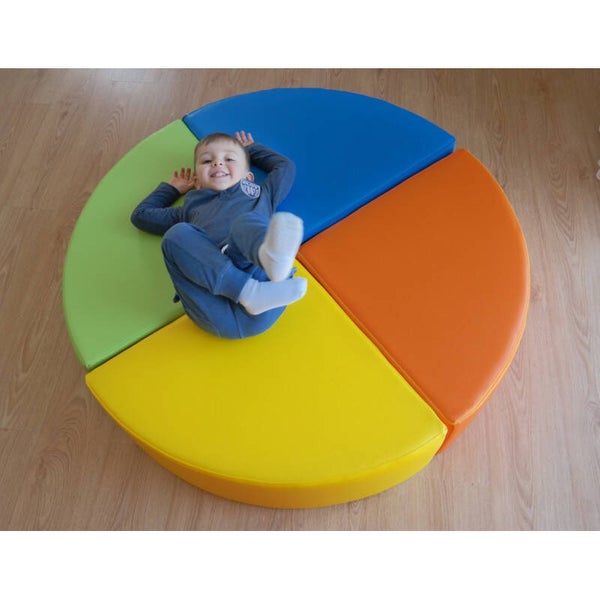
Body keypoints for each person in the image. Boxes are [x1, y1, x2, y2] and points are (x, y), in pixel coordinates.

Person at [130, 130, 307, 339]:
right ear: (196, 182)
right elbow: (141, 216)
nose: (217, 163)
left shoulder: (261, 194)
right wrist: (172, 189)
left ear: (248, 177)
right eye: (207, 161)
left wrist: (252, 149)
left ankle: (272, 260)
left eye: (229, 159)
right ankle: (249, 292)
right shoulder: (188, 210)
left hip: (267, 285)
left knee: (245, 223)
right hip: (214, 308)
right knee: (175, 235)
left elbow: (285, 168)